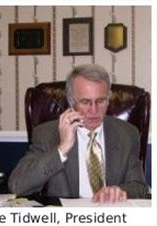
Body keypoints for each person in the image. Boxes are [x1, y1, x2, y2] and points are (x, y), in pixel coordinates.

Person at [8, 64, 147, 203]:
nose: (94, 110)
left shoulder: (127, 134)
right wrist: (62, 149)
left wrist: (120, 191)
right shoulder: (47, 134)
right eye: (85, 102)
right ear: (72, 101)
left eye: (100, 101)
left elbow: (139, 186)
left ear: (108, 98)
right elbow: (17, 186)